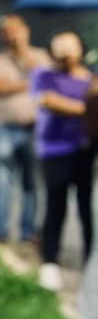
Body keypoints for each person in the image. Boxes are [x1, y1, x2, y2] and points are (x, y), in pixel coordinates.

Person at [31, 29, 94, 292]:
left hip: (85, 150)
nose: (66, 49)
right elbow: (49, 101)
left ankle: (90, 263)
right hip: (54, 149)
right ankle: (50, 262)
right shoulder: (44, 75)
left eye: (71, 44)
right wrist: (87, 108)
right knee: (56, 204)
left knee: (86, 207)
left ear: (81, 48)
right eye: (60, 44)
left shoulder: (91, 78)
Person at [0, 14, 50, 245]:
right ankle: (1, 232)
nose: (12, 35)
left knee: (31, 183)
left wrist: (23, 53)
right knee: (2, 182)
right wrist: (31, 83)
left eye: (16, 30)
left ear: (26, 31)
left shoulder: (41, 55)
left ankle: (28, 232)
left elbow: (45, 80)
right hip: (6, 127)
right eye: (7, 31)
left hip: (34, 128)